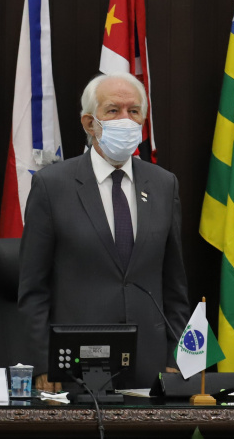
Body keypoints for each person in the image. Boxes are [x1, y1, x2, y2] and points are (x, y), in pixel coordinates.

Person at [18, 72, 190, 390]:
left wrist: (176, 358)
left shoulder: (165, 184)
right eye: (113, 110)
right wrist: (43, 364)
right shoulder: (52, 186)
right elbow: (33, 289)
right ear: (88, 123)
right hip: (74, 368)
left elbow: (175, 287)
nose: (125, 119)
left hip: (151, 371)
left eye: (134, 111)